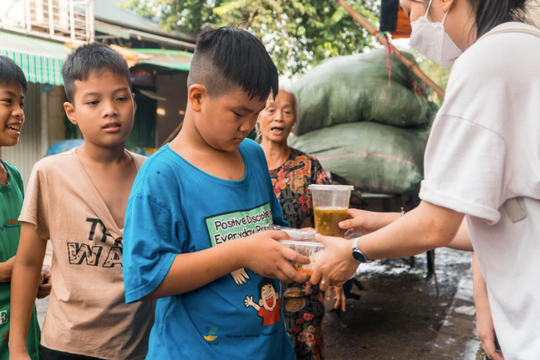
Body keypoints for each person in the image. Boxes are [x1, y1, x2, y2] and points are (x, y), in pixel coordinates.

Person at [311, 0, 540, 359]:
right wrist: (382, 221)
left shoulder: (486, 63)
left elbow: (436, 225)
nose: (413, 24)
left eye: (410, 8)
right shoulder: (526, 49)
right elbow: (494, 218)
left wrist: (354, 252)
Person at [122, 27, 310, 359]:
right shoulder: (163, 175)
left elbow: (271, 229)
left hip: (269, 348)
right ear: (197, 97)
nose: (248, 125)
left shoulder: (252, 155)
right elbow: (145, 278)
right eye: (239, 113)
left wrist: (299, 241)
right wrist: (241, 253)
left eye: (256, 113)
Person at [8, 43, 154, 360]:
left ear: (134, 101)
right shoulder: (50, 174)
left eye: (120, 97)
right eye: (93, 101)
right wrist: (17, 347)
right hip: (66, 346)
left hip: (139, 348)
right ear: (71, 112)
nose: (110, 110)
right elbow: (29, 262)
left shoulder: (154, 176)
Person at [258, 88, 345, 360]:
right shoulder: (242, 164)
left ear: (295, 119)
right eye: (271, 109)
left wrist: (336, 274)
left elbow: (331, 226)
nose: (279, 118)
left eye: (287, 111)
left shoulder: (309, 167)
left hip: (303, 282)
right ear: (257, 114)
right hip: (258, 286)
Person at [0, 56, 51, 360]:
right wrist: (7, 271)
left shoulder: (16, 177)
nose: (19, 113)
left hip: (22, 340)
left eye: (22, 103)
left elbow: (26, 257)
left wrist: (35, 278)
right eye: (8, 101)